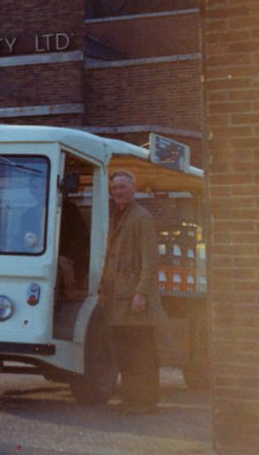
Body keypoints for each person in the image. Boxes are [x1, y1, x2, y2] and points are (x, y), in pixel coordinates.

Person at [97, 169, 164, 414]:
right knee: (126, 353)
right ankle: (132, 400)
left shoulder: (141, 218)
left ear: (133, 189)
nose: (118, 192)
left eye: (123, 187)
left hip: (134, 300)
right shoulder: (119, 216)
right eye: (114, 188)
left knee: (141, 353)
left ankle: (144, 403)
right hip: (119, 299)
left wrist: (142, 294)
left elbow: (150, 260)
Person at [52, 191, 90, 339]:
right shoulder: (29, 214)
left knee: (60, 267)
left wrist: (66, 257)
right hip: (40, 262)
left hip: (67, 260)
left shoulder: (69, 210)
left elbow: (81, 240)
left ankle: (71, 288)